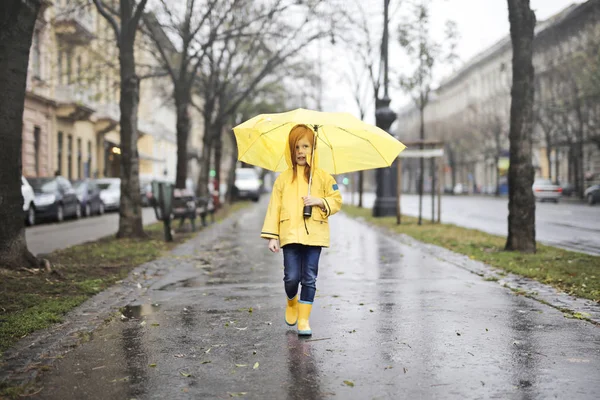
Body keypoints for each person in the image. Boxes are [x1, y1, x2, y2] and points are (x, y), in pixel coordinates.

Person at [261, 124, 342, 336]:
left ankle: (304, 320)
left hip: (315, 234)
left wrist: (320, 200)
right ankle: (291, 302)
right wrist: (272, 236)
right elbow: (274, 208)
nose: (301, 151)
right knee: (291, 277)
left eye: (306, 146)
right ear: (291, 150)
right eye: (296, 147)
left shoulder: (323, 177)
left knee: (309, 277)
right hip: (290, 234)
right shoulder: (283, 179)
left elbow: (336, 200)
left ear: (313, 149)